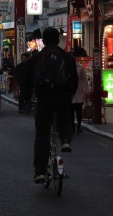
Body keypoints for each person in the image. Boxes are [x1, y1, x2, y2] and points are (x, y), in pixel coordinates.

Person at [21, 27, 78, 184]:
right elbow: (74, 80)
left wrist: (26, 99)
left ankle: (40, 172)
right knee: (64, 114)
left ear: (43, 41)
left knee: (42, 134)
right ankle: (66, 139)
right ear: (58, 40)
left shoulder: (36, 58)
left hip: (44, 99)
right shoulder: (67, 57)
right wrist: (69, 96)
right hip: (62, 97)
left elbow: (27, 81)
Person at [71, 48, 89, 133]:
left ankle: (78, 126)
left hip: (79, 90)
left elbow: (84, 79)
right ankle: (72, 126)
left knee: (78, 110)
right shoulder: (66, 67)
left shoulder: (80, 67)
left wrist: (87, 90)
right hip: (70, 91)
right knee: (71, 111)